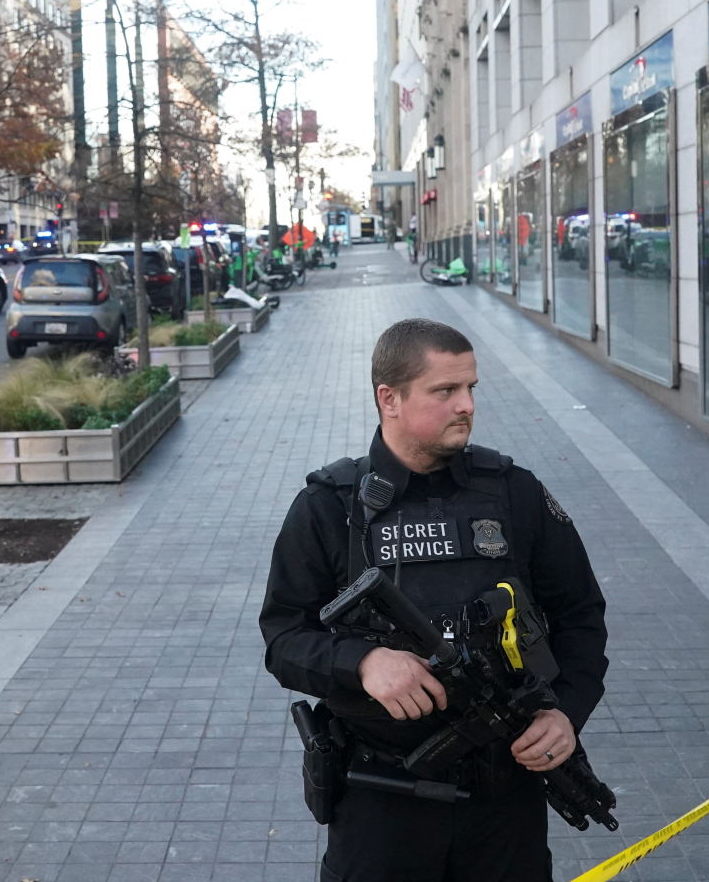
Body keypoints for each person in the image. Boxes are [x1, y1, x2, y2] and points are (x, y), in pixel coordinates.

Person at [260, 319, 608, 882]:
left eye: (471, 389)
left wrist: (566, 712)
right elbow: (283, 641)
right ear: (389, 399)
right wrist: (362, 663)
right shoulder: (328, 508)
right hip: (381, 802)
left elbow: (580, 617)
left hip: (504, 798)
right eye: (445, 391)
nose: (466, 405)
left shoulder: (514, 493)